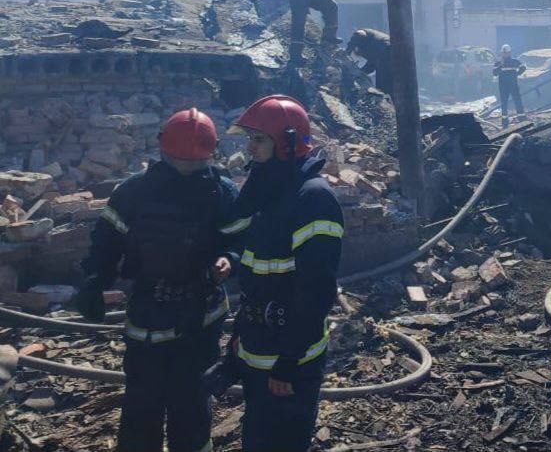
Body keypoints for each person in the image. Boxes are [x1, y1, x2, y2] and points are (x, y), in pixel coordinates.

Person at [76, 108, 240, 452]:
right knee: (142, 405)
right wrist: (94, 280)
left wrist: (230, 259)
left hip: (200, 316)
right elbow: (106, 242)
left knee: (190, 407)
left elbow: (239, 241)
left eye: (194, 166)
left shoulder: (222, 193)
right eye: (180, 163)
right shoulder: (134, 192)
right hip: (148, 313)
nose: (187, 171)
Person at [224, 95, 343, 452]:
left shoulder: (313, 198)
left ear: (286, 142)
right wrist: (239, 337)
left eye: (258, 139)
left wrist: (289, 361)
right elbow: (256, 277)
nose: (250, 147)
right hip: (258, 347)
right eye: (250, 139)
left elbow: (316, 290)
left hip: (290, 360)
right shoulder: (267, 189)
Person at [346, 28, 393, 95]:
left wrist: (347, 52)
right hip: (389, 52)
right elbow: (370, 67)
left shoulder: (363, 34)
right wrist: (359, 73)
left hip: (385, 48)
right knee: (385, 79)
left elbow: (359, 34)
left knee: (382, 77)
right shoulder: (372, 53)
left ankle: (383, 94)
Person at [493, 44, 526, 127]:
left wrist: (517, 74)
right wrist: (500, 66)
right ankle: (505, 121)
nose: (505, 54)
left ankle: (521, 118)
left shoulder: (515, 61)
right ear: (501, 53)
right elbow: (494, 73)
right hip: (503, 86)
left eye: (507, 52)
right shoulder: (498, 63)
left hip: (513, 85)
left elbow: (523, 67)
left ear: (510, 53)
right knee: (504, 103)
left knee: (517, 100)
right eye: (504, 53)